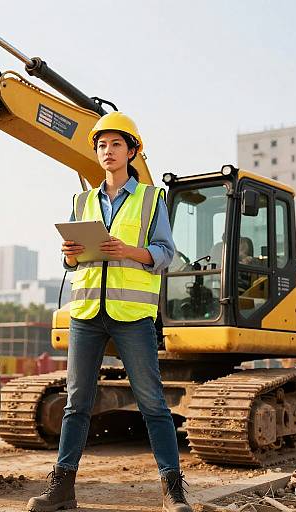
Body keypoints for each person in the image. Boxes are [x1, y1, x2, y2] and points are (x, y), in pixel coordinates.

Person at [27, 112, 191, 512]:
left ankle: (173, 491)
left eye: (116, 144)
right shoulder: (82, 201)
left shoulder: (151, 199)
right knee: (75, 403)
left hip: (132, 315)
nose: (107, 151)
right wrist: (69, 256)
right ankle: (62, 490)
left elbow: (167, 253)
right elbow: (72, 262)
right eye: (101, 145)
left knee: (152, 402)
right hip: (85, 312)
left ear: (132, 151)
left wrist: (130, 251)